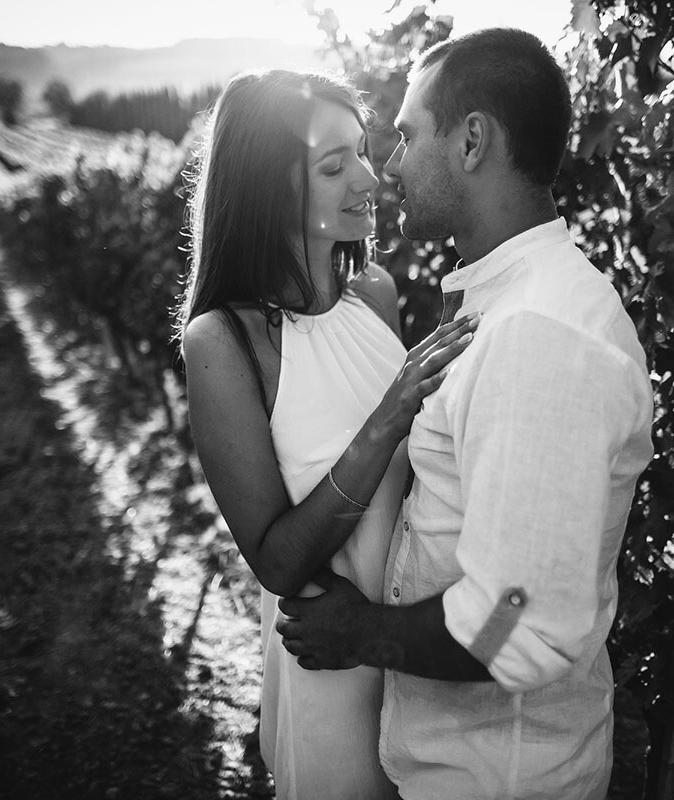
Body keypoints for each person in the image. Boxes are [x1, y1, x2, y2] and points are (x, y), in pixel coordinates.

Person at [277, 28, 654, 800]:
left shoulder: (538, 336)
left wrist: (361, 633)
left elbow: (518, 622)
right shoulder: (508, 307)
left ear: (473, 141)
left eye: (409, 135)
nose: (389, 166)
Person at [175, 69, 478, 799]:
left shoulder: (374, 292)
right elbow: (277, 561)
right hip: (333, 660)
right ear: (268, 188)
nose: (371, 180)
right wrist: (387, 417)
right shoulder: (222, 343)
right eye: (335, 166)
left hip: (417, 633)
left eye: (365, 155)